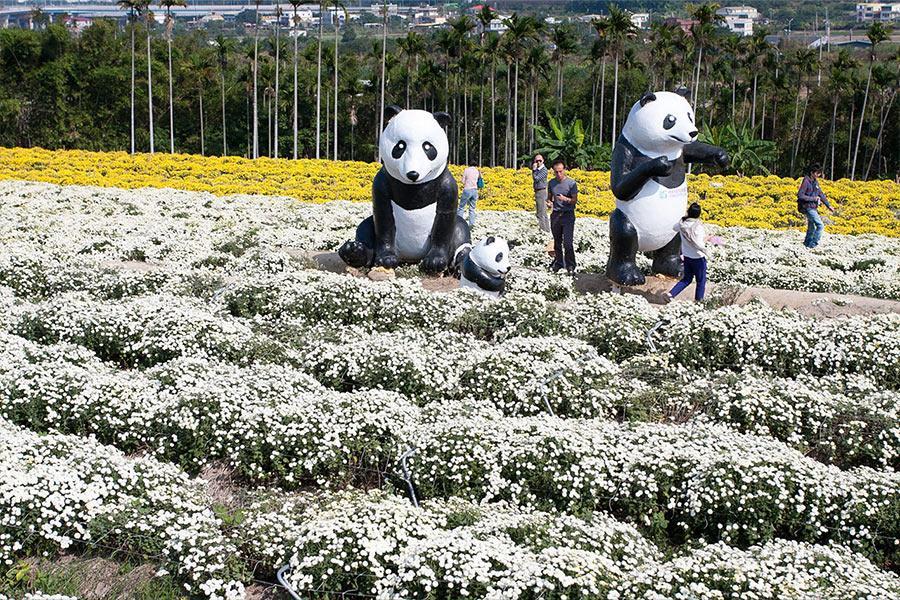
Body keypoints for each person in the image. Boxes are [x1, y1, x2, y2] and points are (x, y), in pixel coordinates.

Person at [666, 202, 708, 302]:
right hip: (698, 258)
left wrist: (685, 217)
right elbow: (699, 244)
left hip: (687, 256)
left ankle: (671, 294)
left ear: (689, 212)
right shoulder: (698, 227)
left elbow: (674, 228)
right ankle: (698, 301)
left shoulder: (682, 224)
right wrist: (707, 239)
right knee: (701, 281)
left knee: (687, 279)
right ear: (699, 214)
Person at [547, 159, 578, 274]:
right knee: (557, 242)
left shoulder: (571, 183)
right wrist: (549, 203)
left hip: (568, 215)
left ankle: (570, 265)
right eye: (556, 172)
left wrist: (566, 199)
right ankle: (559, 263)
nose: (559, 174)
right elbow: (549, 198)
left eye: (560, 171)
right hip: (556, 215)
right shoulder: (551, 183)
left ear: (564, 170)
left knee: (568, 243)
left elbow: (574, 200)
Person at [797, 163, 835, 249]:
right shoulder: (806, 181)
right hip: (807, 207)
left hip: (813, 207)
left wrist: (828, 205)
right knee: (820, 225)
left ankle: (807, 243)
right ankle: (813, 244)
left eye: (819, 173)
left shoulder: (815, 182)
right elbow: (800, 195)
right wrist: (813, 198)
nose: (819, 175)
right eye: (817, 173)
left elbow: (821, 194)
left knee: (811, 226)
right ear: (812, 173)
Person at [457, 162, 481, 229]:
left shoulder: (466, 170)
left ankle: (459, 223)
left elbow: (463, 181)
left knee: (461, 207)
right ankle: (471, 224)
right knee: (472, 208)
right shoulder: (477, 171)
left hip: (467, 189)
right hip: (475, 190)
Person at [531, 154, 551, 233]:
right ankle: (546, 231)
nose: (538, 162)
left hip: (541, 192)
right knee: (543, 212)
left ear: (543, 161)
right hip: (538, 191)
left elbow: (536, 178)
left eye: (540, 160)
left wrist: (534, 170)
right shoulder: (539, 170)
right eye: (537, 161)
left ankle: (544, 231)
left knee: (540, 213)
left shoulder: (544, 170)